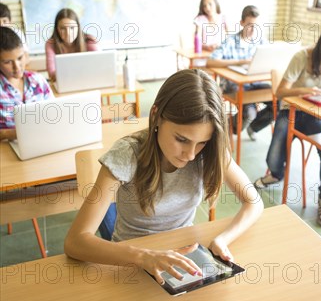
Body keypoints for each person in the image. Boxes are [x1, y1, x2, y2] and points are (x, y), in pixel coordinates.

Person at [65, 69, 263, 284]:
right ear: (156, 116)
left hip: (184, 260)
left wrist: (223, 240)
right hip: (131, 264)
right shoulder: (128, 154)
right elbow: (75, 242)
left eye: (202, 142)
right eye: (181, 139)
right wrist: (145, 257)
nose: (190, 154)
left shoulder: (210, 150)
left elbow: (254, 203)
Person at [254, 19, 321, 226]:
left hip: (318, 115)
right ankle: (276, 174)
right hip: (292, 112)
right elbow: (280, 92)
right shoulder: (302, 57)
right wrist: (304, 90)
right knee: (276, 152)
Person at [206, 5, 272, 140]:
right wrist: (239, 61)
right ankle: (227, 126)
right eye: (249, 25)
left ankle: (253, 127)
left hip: (256, 83)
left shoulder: (261, 42)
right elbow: (210, 62)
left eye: (256, 26)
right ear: (242, 23)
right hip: (233, 86)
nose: (253, 30)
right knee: (250, 113)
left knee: (279, 102)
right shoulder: (230, 41)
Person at [0, 26, 53, 141]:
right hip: (8, 150)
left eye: (20, 58)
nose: (17, 67)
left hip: (43, 140)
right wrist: (12, 134)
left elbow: (55, 113)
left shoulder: (38, 80)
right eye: (8, 62)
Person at [45, 8, 98, 81]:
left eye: (72, 28)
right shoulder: (51, 44)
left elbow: (99, 67)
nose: (68, 33)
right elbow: (52, 74)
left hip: (88, 81)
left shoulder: (90, 41)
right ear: (57, 29)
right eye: (63, 28)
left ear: (78, 27)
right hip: (65, 84)